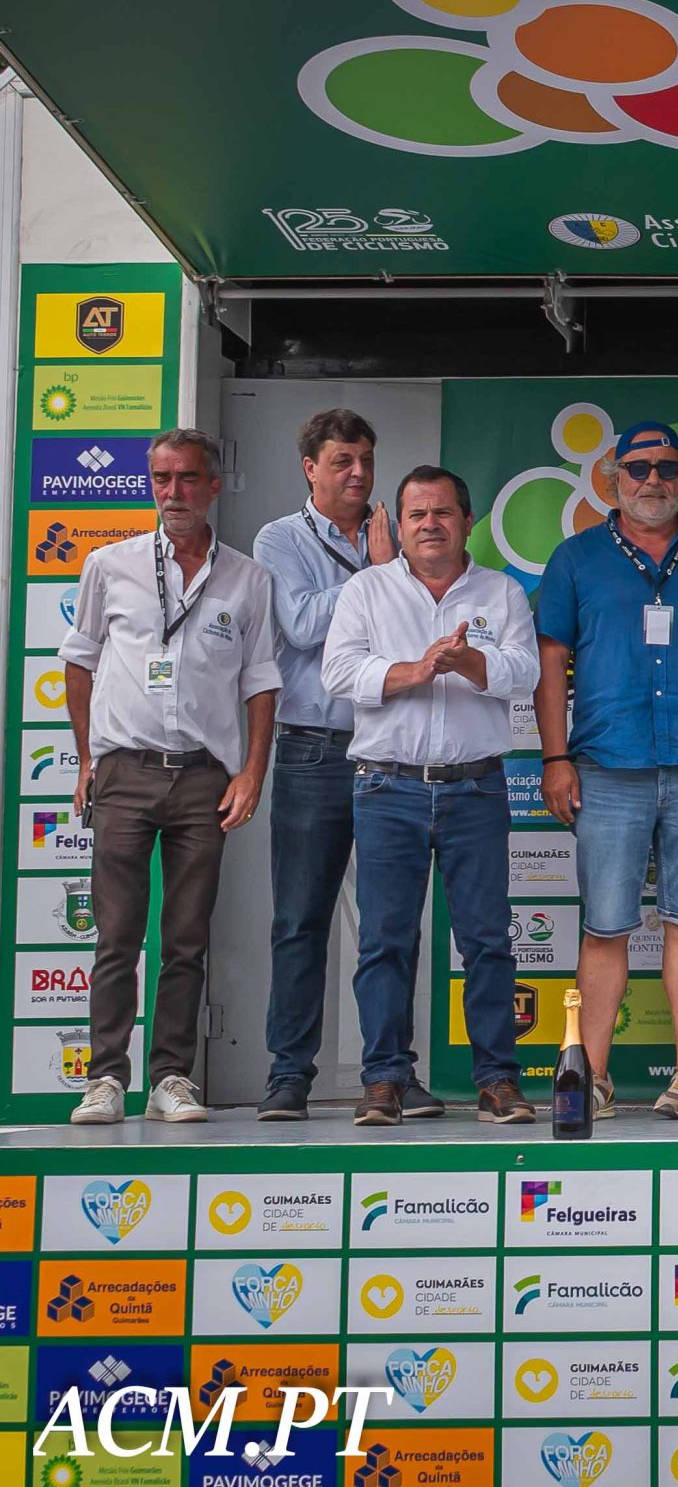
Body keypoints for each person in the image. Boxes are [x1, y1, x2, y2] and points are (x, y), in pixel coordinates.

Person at [63, 428, 281, 1125]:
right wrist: (87, 759)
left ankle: (171, 1077)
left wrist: (252, 771)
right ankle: (104, 1077)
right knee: (116, 935)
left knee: (186, 938)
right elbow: (79, 660)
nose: (173, 492)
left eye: (187, 478)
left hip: (203, 779)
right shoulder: (109, 565)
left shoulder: (248, 577)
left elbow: (261, 682)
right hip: (124, 771)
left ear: (213, 485)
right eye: (161, 479)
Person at [321, 466, 538, 1127]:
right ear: (400, 525)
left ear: (467, 521)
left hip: (476, 785)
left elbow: (526, 671)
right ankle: (385, 1079)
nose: (430, 525)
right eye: (417, 514)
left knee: (487, 941)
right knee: (385, 941)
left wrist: (471, 663)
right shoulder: (367, 589)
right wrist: (414, 670)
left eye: (443, 512)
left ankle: (497, 1080)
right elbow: (337, 672)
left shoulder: (501, 591)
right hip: (387, 786)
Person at [535, 421, 678, 1120]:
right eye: (639, 468)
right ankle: (592, 1076)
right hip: (607, 763)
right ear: (612, 479)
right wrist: (555, 758)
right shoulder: (576, 557)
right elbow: (550, 666)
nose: (653, 480)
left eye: (668, 467)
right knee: (605, 927)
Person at [251, 408, 397, 1121]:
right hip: (313, 747)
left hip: (390, 748)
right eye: (343, 460)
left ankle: (388, 1075)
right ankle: (289, 1075)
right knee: (300, 920)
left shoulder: (399, 530)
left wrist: (390, 568)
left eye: (365, 459)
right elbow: (303, 624)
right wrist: (379, 576)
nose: (359, 473)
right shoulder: (279, 537)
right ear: (310, 467)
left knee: (387, 924)